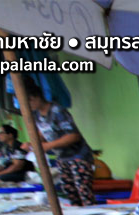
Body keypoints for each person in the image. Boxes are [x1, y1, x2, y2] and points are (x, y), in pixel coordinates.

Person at [22, 74, 94, 206]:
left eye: (29, 101)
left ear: (36, 97)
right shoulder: (38, 115)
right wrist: (32, 144)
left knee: (84, 193)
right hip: (62, 159)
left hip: (78, 156)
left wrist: (48, 146)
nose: (28, 105)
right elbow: (44, 133)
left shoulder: (57, 110)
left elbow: (73, 135)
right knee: (71, 193)